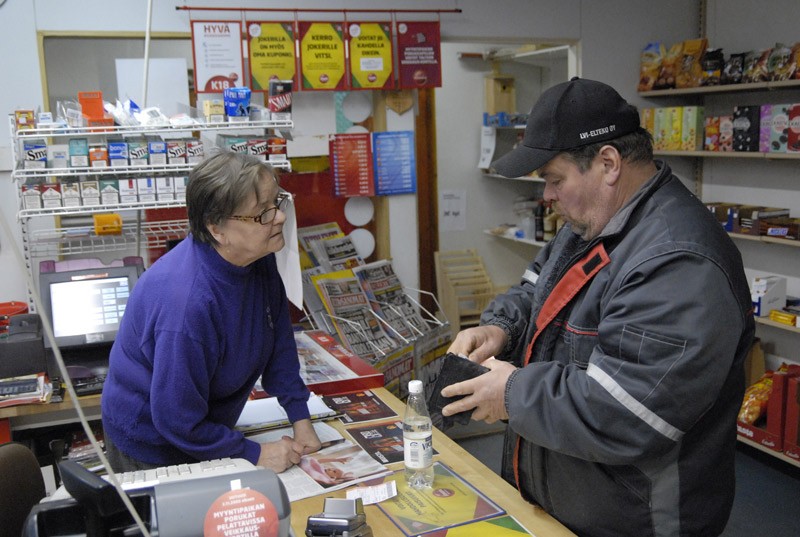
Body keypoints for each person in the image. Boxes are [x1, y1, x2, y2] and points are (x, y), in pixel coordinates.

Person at [441, 78, 755, 537]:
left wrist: (512, 394)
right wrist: (500, 328)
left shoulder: (679, 262)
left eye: (554, 179)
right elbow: (537, 291)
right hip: (559, 504)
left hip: (634, 522)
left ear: (608, 163)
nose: (546, 196)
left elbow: (625, 412)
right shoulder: (591, 223)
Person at [101, 151, 322, 474]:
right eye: (262, 213)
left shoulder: (257, 259)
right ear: (217, 229)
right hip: (153, 444)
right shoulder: (187, 303)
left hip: (205, 425)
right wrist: (253, 453)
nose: (279, 217)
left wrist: (300, 418)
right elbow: (176, 420)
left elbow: (279, 347)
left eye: (278, 202)